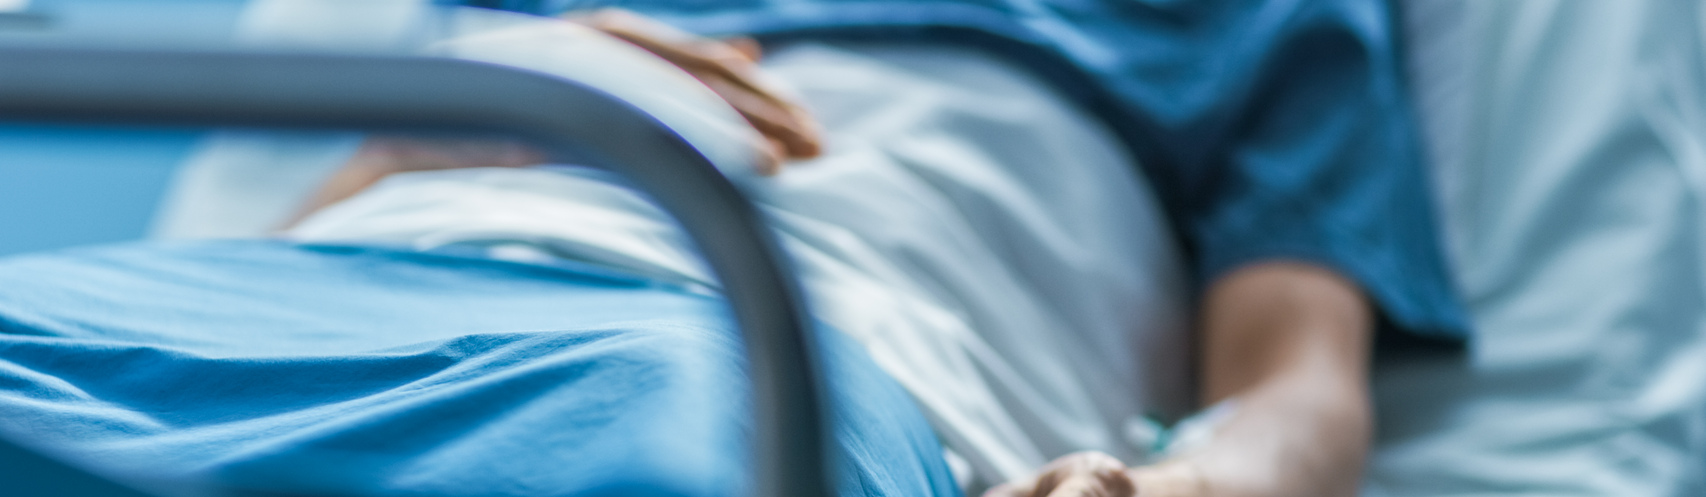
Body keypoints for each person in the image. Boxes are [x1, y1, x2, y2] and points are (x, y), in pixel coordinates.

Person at [284, 2, 1470, 495]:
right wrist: (460, 109)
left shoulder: (1254, 17)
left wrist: (1181, 486)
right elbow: (294, 235)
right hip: (335, 295)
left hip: (770, 343)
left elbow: (1292, 379)